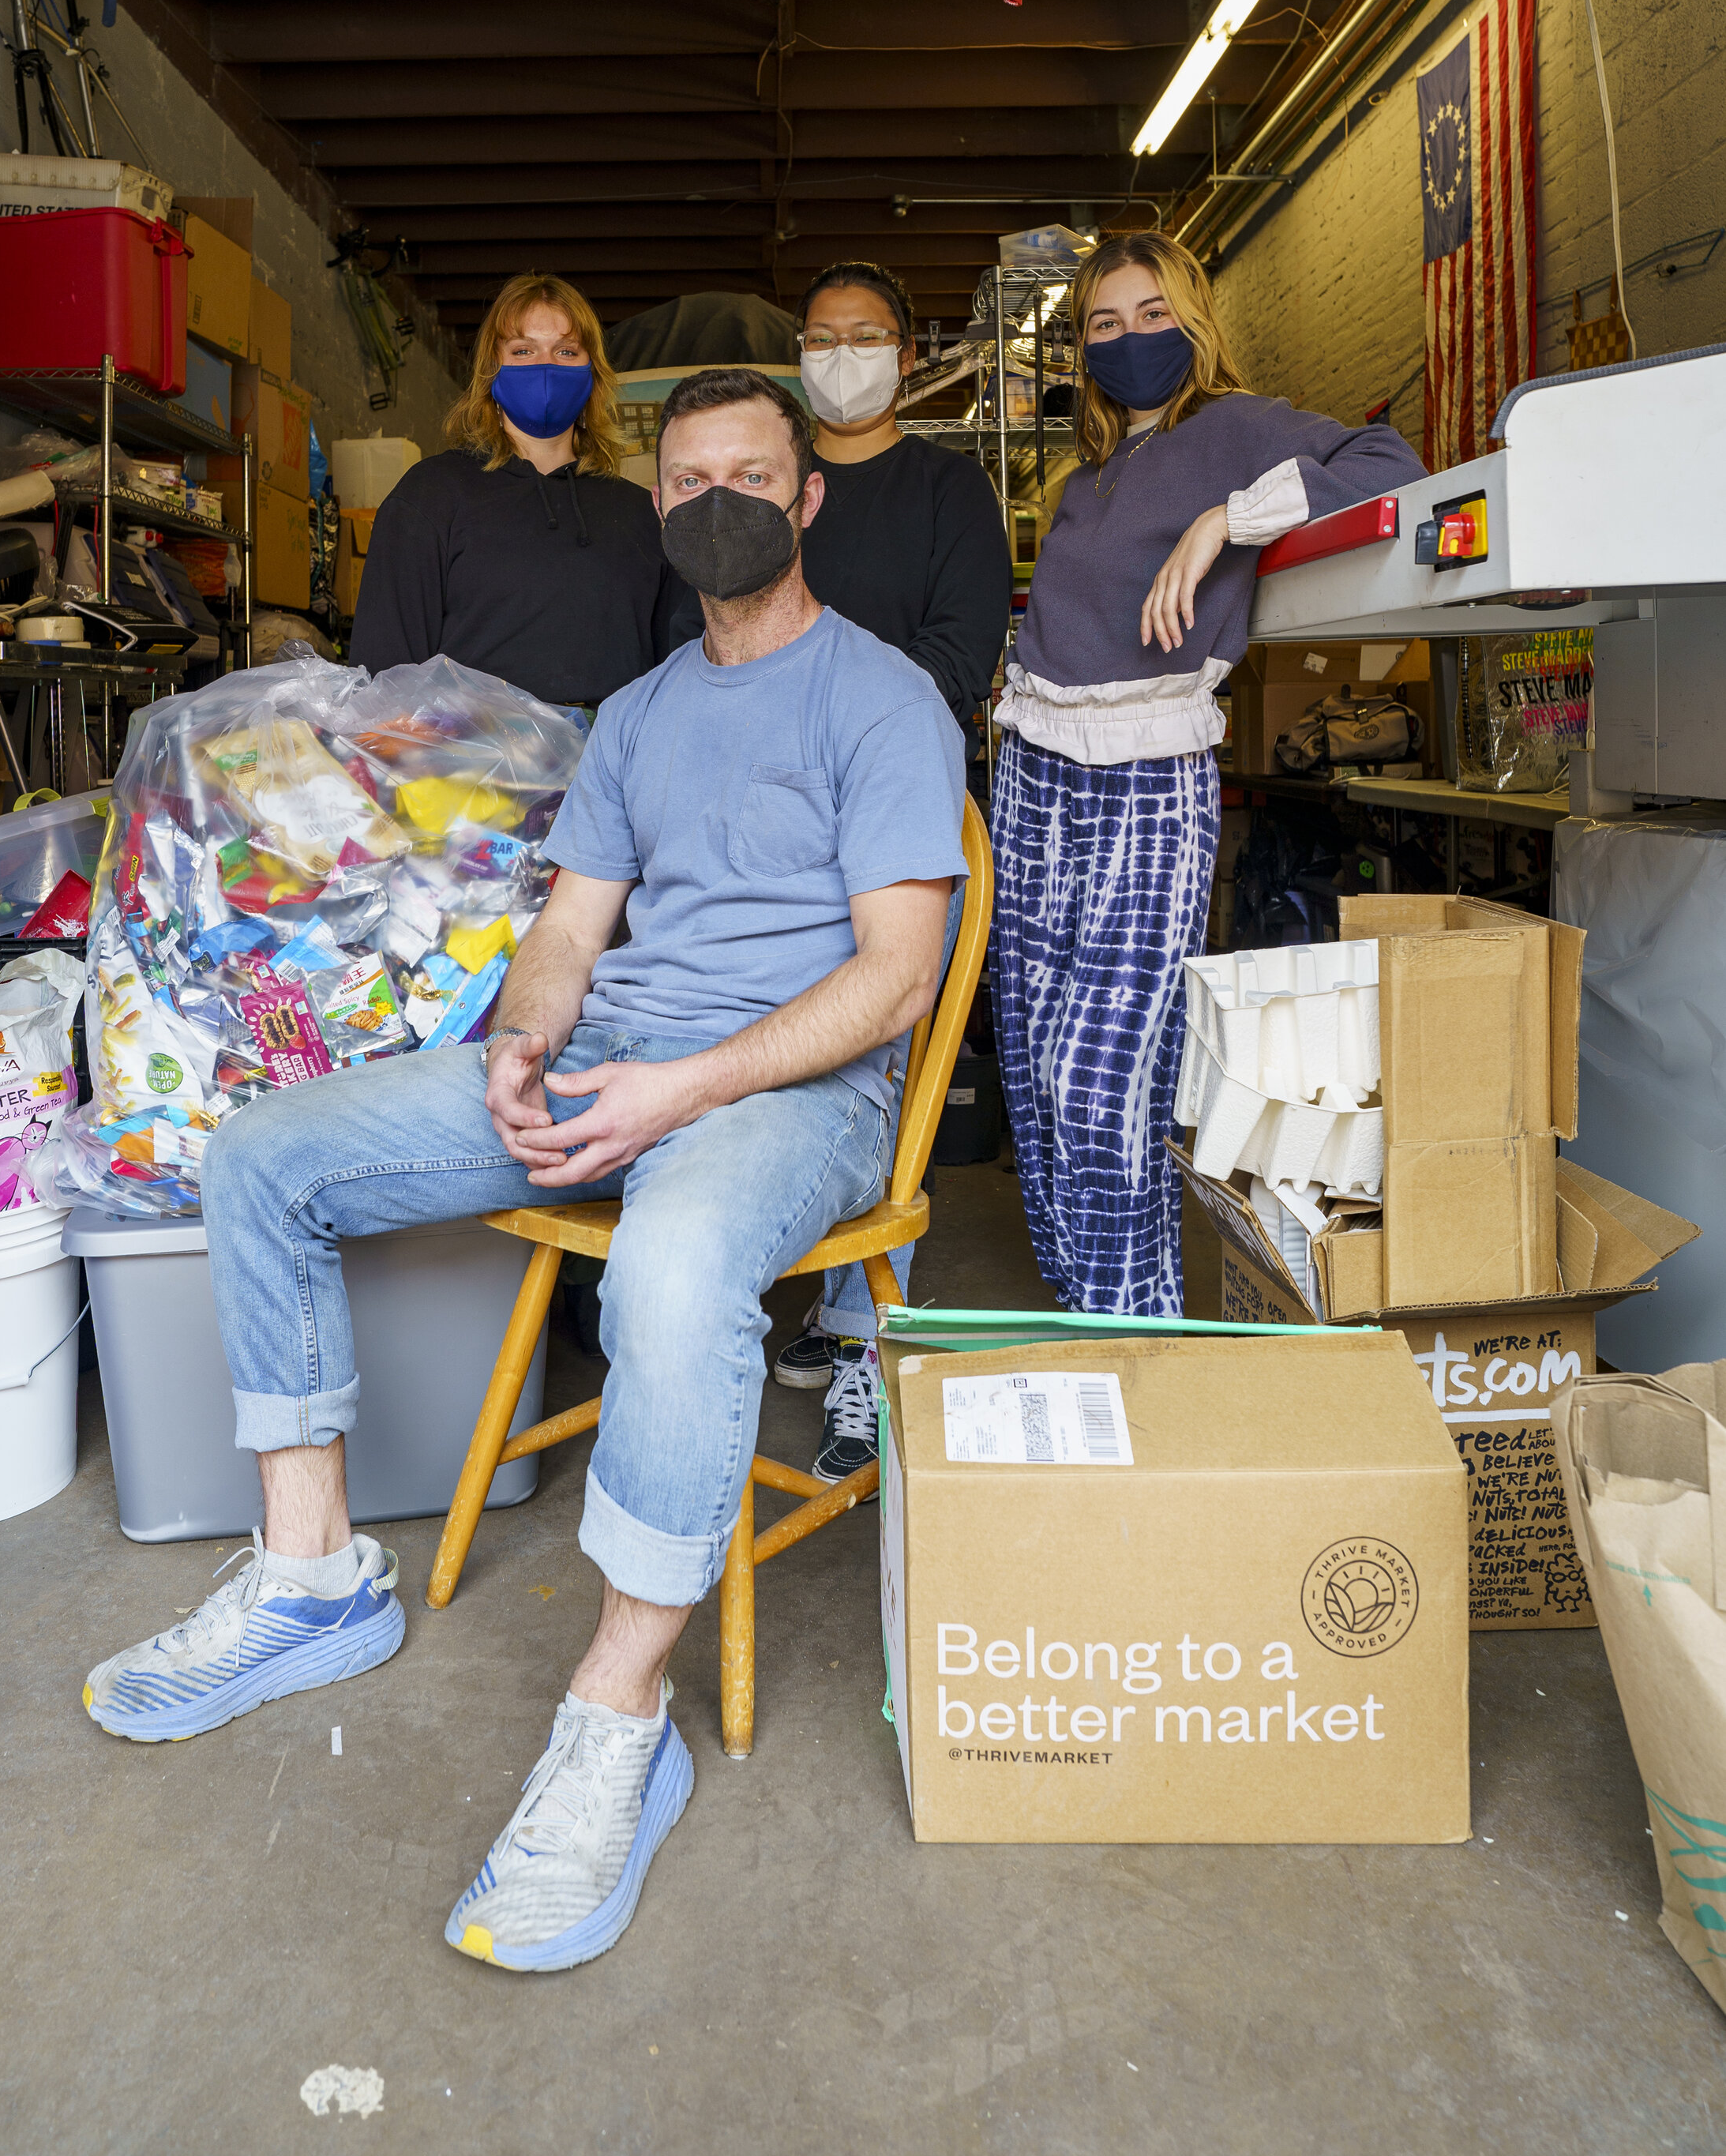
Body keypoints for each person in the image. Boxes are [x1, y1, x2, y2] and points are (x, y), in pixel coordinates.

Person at [81, 368, 966, 1976]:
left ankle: (618, 1714)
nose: (717, 507)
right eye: (686, 482)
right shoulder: (633, 719)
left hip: (789, 1094)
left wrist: (673, 1092)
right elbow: (566, 931)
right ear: (658, 506)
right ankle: (307, 1576)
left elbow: (898, 977)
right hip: (606, 1068)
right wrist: (523, 1040)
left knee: (675, 1270)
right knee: (267, 1153)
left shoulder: (881, 700)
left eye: (749, 478)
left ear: (807, 498)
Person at [992, 228, 1424, 1317]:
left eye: (1151, 314)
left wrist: (1226, 519)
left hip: (1150, 769)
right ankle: (1080, 1299)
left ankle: (1137, 1326)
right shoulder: (1082, 476)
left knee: (1105, 1082)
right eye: (1103, 323)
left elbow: (1392, 463)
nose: (1129, 338)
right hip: (1036, 764)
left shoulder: (1237, 428)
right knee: (1037, 1068)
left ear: (1192, 320)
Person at [763, 261, 1011, 1459]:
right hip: (769, 829)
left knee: (893, 1064)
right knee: (791, 1055)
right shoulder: (772, 492)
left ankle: (868, 1335)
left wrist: (815, 723)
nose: (843, 353)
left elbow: (962, 656)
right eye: (822, 335)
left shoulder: (946, 492)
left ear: (910, 357)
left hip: (900, 819)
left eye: (867, 335)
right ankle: (836, 1289)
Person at [350, 272, 670, 707]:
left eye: (566, 351)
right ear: (490, 370)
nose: (545, 367)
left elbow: (676, 676)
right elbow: (384, 678)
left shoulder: (645, 515)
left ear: (593, 372)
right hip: (473, 768)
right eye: (523, 351)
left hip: (610, 769)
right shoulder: (431, 496)